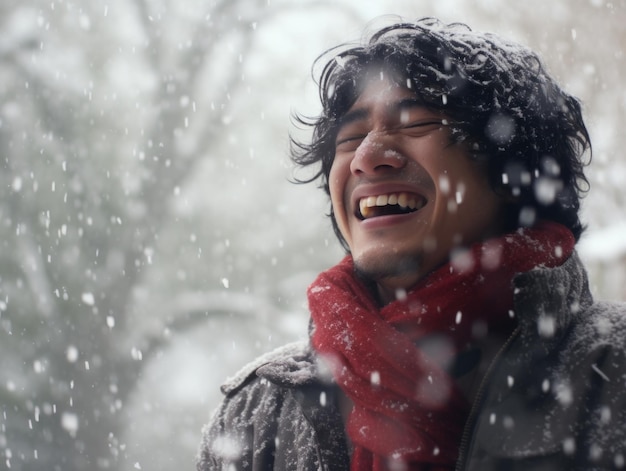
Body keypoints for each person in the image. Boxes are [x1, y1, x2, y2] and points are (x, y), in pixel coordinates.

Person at [196, 17, 626, 470]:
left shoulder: (613, 374)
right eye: (351, 137)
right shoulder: (259, 413)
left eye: (416, 122)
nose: (367, 157)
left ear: (513, 172)